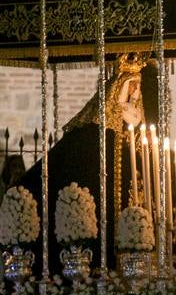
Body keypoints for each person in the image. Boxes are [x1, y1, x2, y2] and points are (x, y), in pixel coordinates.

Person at [16, 53, 158, 275]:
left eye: (138, 88)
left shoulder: (138, 128)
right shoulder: (93, 133)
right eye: (131, 86)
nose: (135, 93)